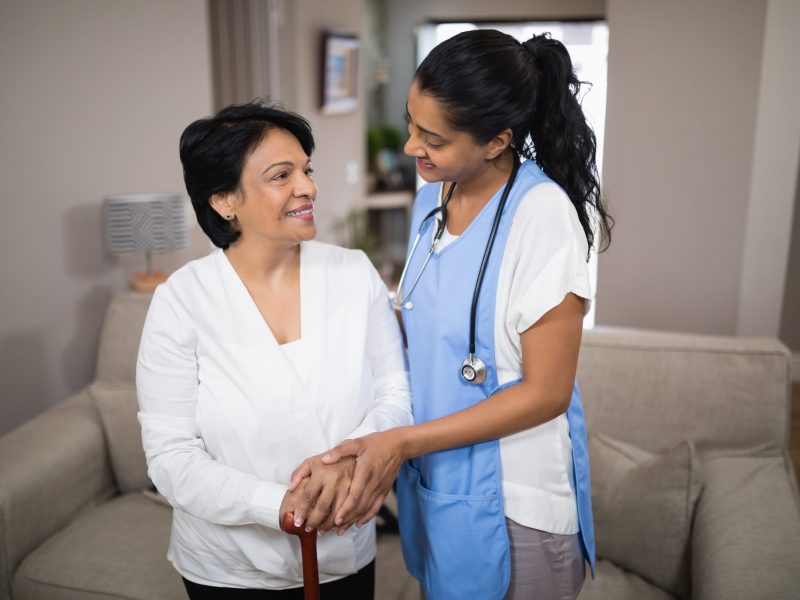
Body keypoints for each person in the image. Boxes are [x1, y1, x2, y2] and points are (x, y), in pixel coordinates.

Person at [289, 30, 613, 600]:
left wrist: (403, 443)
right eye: (411, 124)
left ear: (496, 141)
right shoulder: (432, 199)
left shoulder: (541, 216)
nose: (412, 146)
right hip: (438, 484)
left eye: (432, 137)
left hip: (518, 500)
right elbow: (418, 328)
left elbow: (547, 392)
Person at [135, 101, 412, 599]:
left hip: (344, 551)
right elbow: (171, 457)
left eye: (306, 170)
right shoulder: (181, 301)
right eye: (281, 175)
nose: (307, 187)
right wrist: (281, 504)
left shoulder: (352, 273)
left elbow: (395, 392)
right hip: (227, 569)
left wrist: (355, 462)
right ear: (224, 199)